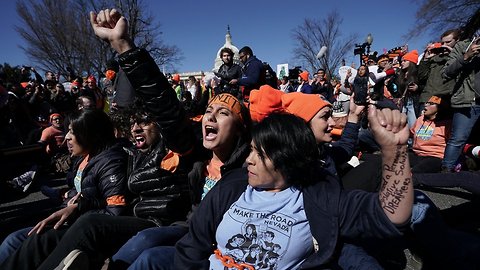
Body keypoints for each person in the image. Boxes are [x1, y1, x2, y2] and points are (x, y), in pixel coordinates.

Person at [174, 108, 412, 269]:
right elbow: (192, 247)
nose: (249, 160)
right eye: (251, 150)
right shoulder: (232, 186)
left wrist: (395, 151)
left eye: (260, 154)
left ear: (286, 160)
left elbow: (392, 216)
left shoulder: (319, 196)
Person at [109, 93, 251, 270]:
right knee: (145, 239)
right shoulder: (196, 159)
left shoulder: (248, 170)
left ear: (239, 128)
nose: (211, 116)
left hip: (213, 243)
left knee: (151, 258)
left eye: (223, 113)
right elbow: (170, 117)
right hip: (187, 228)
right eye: (208, 110)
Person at [0, 109, 130, 268]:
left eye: (72, 132)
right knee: (13, 240)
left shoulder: (111, 163)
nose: (67, 136)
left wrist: (79, 206)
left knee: (35, 240)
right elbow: (89, 189)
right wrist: (72, 195)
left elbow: (115, 211)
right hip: (72, 218)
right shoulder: (86, 156)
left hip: (83, 229)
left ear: (91, 134)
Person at [441, 34, 480, 172]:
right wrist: (466, 56)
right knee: (458, 138)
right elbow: (446, 72)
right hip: (468, 101)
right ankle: (446, 171)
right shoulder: (463, 46)